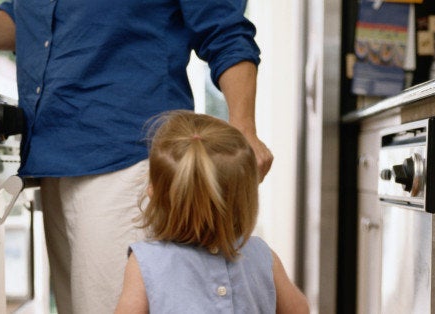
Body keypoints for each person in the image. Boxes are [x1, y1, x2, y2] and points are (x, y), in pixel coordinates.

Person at [0, 1, 274, 313]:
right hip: (55, 154)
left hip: (129, 154)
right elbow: (22, 22)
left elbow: (224, 30)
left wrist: (244, 125)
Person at [114, 110, 308, 314]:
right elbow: (300, 309)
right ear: (245, 200)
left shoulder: (147, 261)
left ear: (153, 191)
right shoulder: (261, 255)